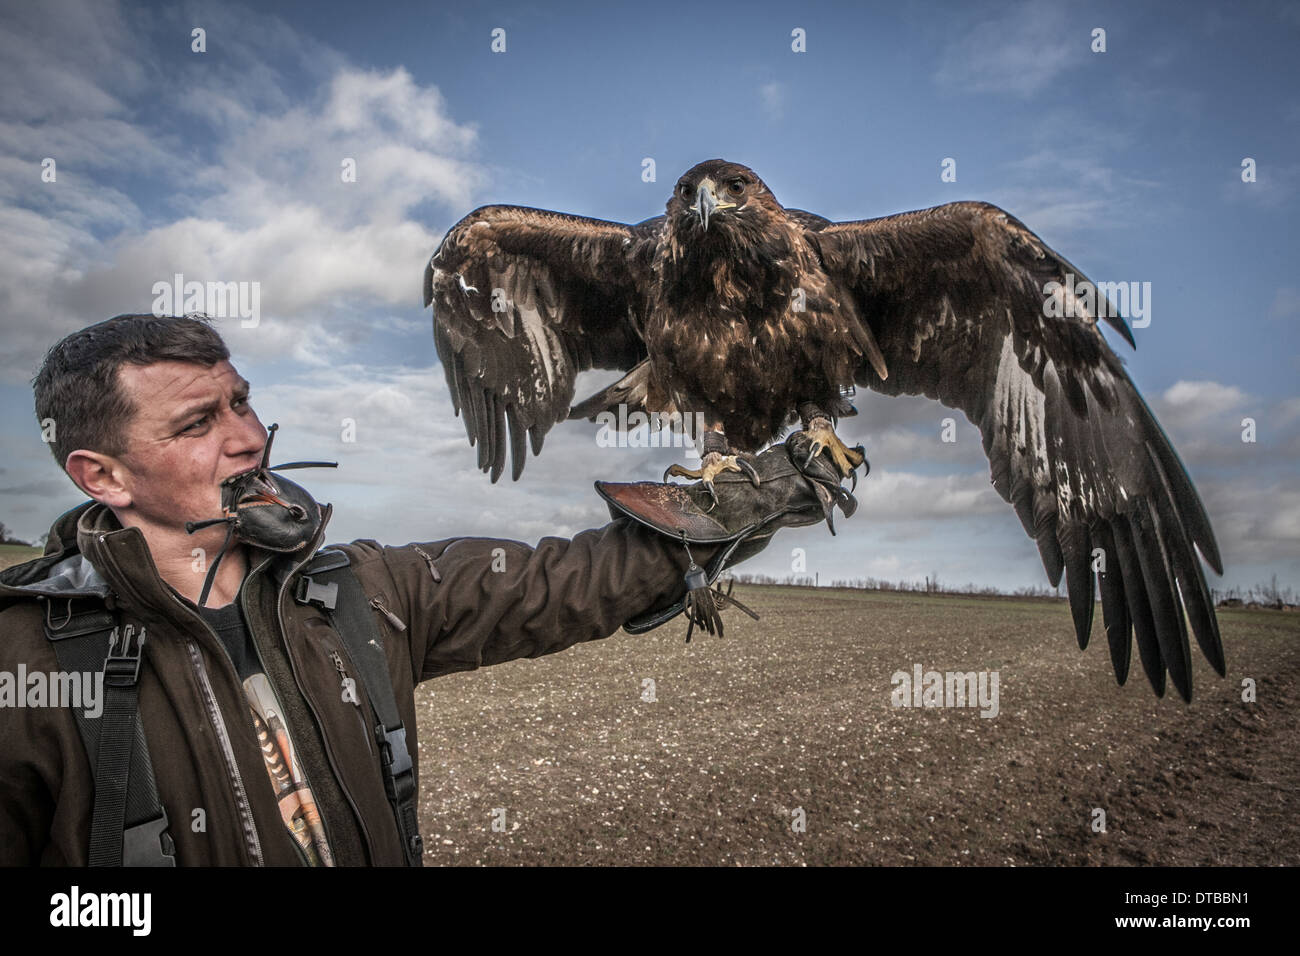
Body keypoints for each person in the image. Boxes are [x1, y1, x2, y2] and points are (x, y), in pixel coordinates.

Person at [0, 313, 857, 866]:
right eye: (198, 423)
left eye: (242, 404)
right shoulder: (27, 659)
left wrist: (766, 490)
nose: (251, 438)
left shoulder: (358, 591)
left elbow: (569, 583)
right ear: (102, 475)